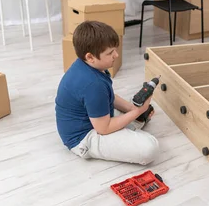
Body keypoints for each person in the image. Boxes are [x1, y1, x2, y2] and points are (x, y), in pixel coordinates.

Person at [55, 20, 159, 165]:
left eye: (115, 50)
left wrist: (132, 108)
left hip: (94, 120)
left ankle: (132, 125)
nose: (116, 55)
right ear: (90, 57)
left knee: (135, 108)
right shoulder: (93, 84)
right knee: (150, 148)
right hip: (84, 137)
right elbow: (104, 128)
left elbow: (108, 96)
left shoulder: (89, 66)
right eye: (110, 53)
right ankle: (133, 126)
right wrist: (138, 111)